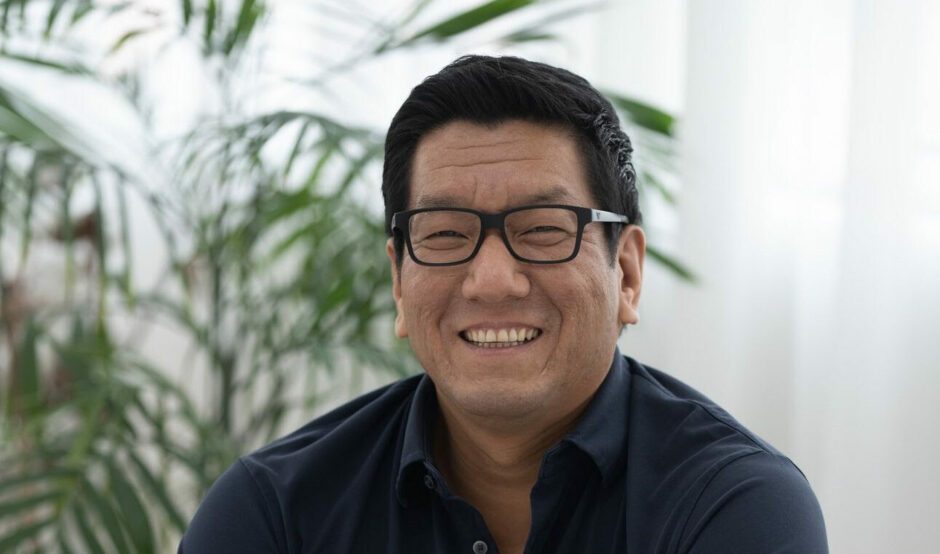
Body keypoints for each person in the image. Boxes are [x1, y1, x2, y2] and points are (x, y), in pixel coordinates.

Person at [179, 55, 828, 553]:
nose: (491, 281)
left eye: (543, 228)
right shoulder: (274, 513)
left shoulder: (733, 507)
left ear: (627, 273)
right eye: (444, 234)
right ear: (400, 281)